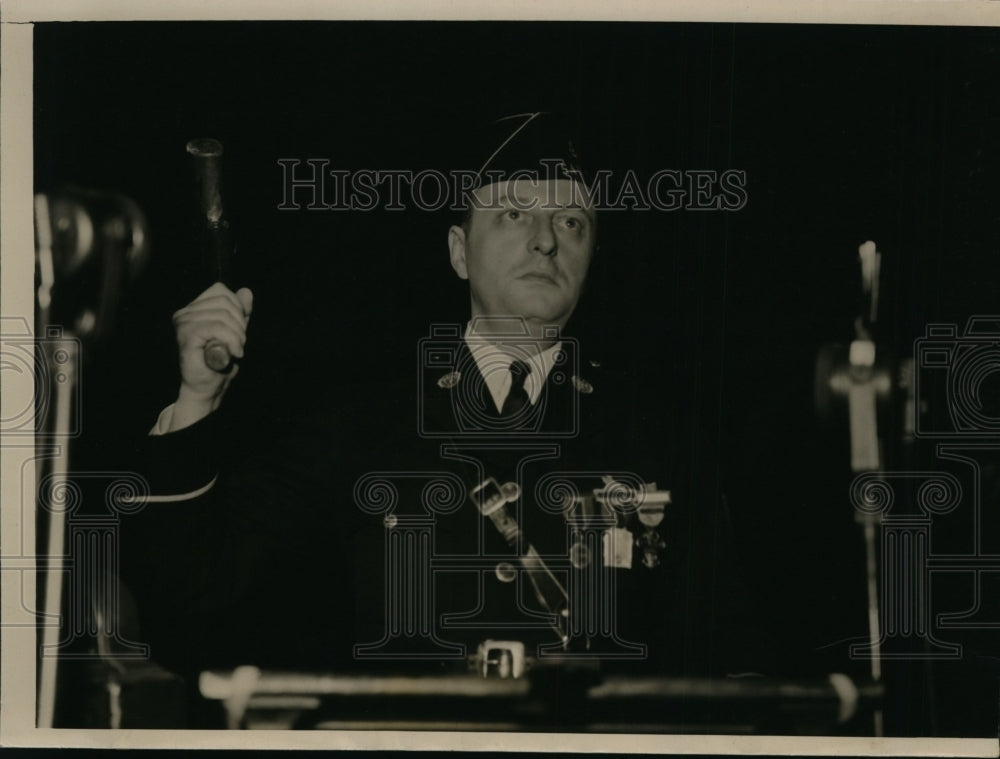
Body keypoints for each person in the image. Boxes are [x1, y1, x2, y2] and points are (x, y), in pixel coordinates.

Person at [121, 112, 763, 681]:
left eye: (571, 219)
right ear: (459, 253)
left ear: (592, 255)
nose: (546, 238)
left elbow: (726, 662)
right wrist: (197, 398)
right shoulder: (360, 425)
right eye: (514, 212)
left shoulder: (659, 435)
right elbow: (190, 598)